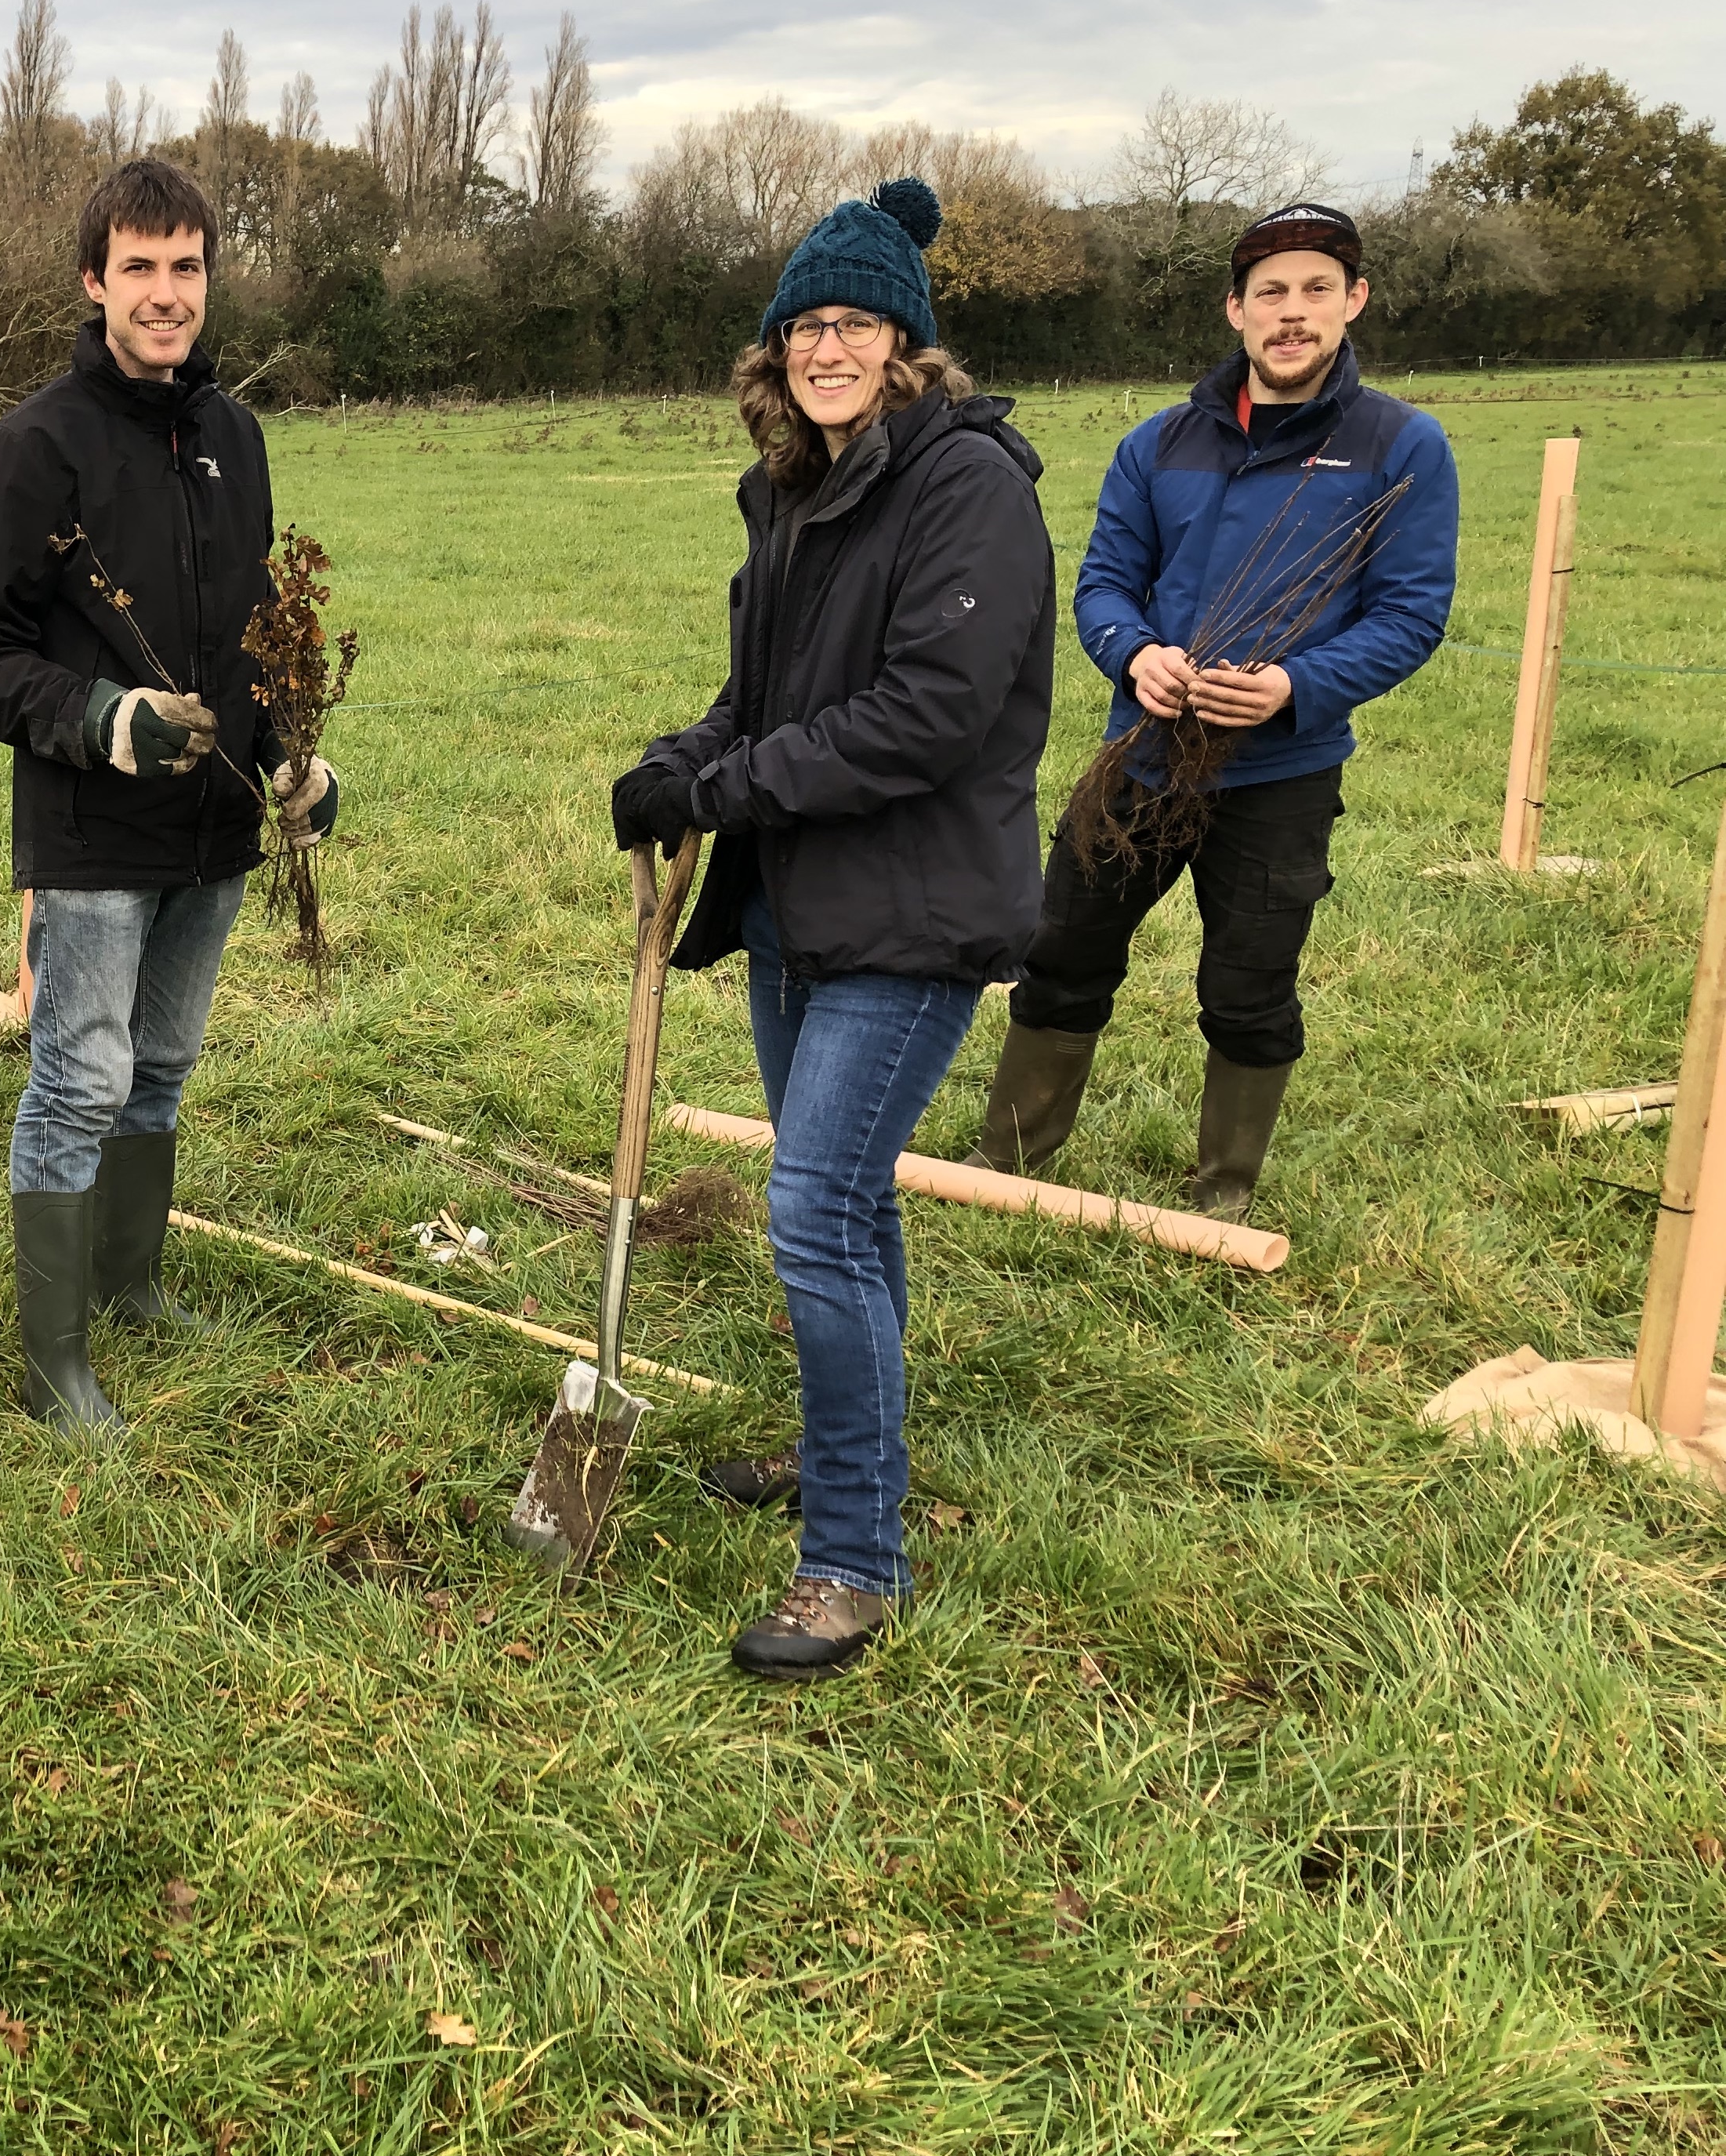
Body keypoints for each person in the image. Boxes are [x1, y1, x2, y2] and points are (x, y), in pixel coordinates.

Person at [610, 181, 1053, 1678]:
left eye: (856, 322)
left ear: (909, 343)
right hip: (805, 906)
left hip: (913, 912)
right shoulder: (798, 489)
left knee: (809, 1211)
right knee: (848, 1209)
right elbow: (768, 692)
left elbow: (930, 715)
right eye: (805, 325)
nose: (827, 347)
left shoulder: (966, 486)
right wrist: (683, 760)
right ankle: (844, 1453)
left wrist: (733, 786)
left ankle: (857, 1557)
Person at [0, 158, 340, 1447]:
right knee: (81, 1075)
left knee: (160, 1069)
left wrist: (291, 758)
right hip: (95, 830)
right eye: (140, 270)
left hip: (212, 830)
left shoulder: (235, 438)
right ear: (92, 280)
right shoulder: (35, 447)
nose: (165, 296)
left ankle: (133, 1284)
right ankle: (55, 1359)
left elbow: (258, 639)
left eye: (187, 269)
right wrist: (100, 721)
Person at [964, 203, 1459, 1220]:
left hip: (1280, 776)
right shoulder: (1158, 445)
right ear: (1236, 310)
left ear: (1354, 301)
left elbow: (1412, 614)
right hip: (1138, 760)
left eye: (1317, 289)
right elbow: (1103, 583)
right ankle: (1010, 1163)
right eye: (1270, 293)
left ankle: (1223, 1195)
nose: (1293, 313)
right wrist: (1135, 653)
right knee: (1061, 958)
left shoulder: (1404, 447)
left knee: (1248, 991)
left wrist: (1294, 689)